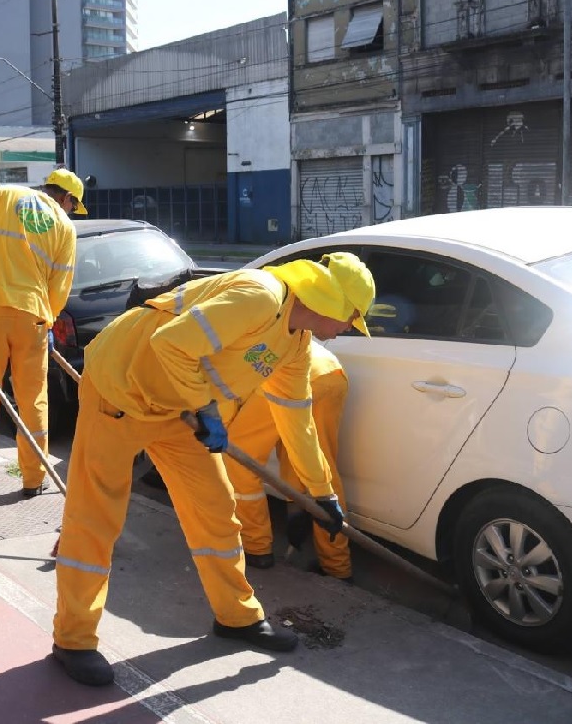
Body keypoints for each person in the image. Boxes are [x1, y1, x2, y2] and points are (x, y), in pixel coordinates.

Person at [50, 253, 374, 687]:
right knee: (96, 518)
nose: (350, 329)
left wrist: (322, 494)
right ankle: (73, 639)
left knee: (217, 512)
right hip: (122, 391)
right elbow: (171, 342)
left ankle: (237, 616)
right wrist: (207, 409)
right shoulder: (259, 297)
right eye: (351, 319)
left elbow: (297, 421)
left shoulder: (295, 345)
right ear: (329, 305)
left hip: (180, 408)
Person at [0, 169, 83, 498]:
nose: (70, 212)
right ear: (66, 198)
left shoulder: (6, 195)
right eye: (72, 206)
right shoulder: (65, 227)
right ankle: (33, 479)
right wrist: (47, 320)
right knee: (33, 399)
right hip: (32, 315)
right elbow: (59, 286)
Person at [222, 340, 353, 580]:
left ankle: (256, 547)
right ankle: (337, 566)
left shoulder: (208, 348)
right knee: (318, 465)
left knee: (238, 458)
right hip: (330, 372)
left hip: (287, 375)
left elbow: (226, 411)